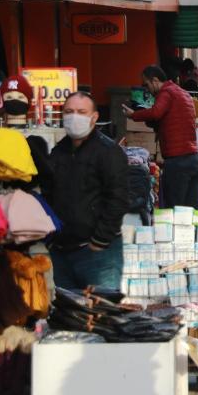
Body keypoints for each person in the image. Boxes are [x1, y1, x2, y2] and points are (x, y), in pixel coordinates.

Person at [46, 92, 128, 290]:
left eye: (81, 112)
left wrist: (100, 239)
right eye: (69, 111)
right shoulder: (58, 152)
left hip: (98, 254)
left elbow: (118, 198)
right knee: (67, 316)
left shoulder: (108, 152)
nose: (74, 116)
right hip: (61, 253)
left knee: (102, 315)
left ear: (94, 117)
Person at [124, 66, 198, 209]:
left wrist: (133, 115)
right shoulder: (183, 93)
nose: (147, 89)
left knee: (175, 210)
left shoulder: (166, 92)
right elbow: (168, 119)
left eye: (146, 84)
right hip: (193, 159)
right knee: (192, 209)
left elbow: (156, 113)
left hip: (178, 161)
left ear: (155, 81)